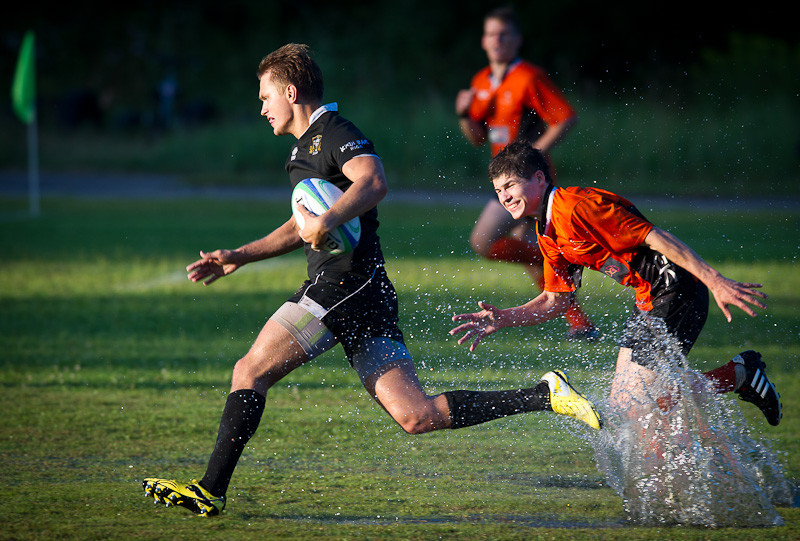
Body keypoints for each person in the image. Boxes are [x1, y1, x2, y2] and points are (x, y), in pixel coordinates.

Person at [142, 44, 603, 517]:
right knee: (416, 415)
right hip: (368, 292)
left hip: (345, 284)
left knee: (249, 371)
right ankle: (544, 395)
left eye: (265, 97)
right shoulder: (301, 152)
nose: (261, 108)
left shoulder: (334, 131)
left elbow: (374, 180)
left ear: (290, 91)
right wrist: (239, 255)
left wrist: (328, 221)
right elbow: (304, 225)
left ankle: (210, 488)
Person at [450, 142, 782, 428]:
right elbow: (556, 300)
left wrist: (715, 281)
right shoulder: (546, 230)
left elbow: (657, 238)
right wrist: (504, 318)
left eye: (511, 185)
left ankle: (740, 376)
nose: (505, 197)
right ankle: (741, 375)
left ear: (538, 178)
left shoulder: (578, 206)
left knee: (637, 403)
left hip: (676, 289)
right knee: (632, 403)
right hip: (651, 298)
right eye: (498, 191)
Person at [455, 6, 597, 341]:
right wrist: (464, 115)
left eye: (503, 34)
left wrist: (534, 155)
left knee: (483, 240)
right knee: (529, 251)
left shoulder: (528, 77)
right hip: (505, 179)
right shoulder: (481, 81)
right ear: (483, 40)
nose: (496, 40)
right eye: (491, 34)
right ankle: (580, 323)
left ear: (517, 40)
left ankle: (562, 264)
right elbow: (477, 138)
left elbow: (565, 118)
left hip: (528, 180)